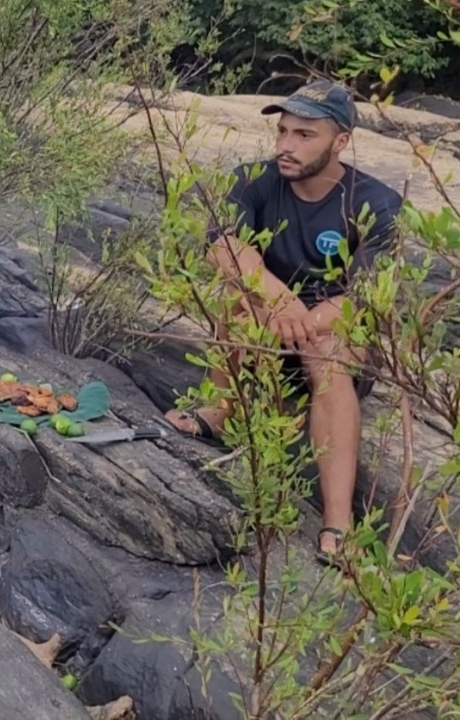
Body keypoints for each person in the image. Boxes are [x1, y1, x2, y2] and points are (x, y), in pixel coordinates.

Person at [162, 80, 404, 564]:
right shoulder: (253, 178)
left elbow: (366, 299)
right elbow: (224, 247)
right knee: (236, 296)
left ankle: (337, 522)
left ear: (341, 141)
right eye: (284, 131)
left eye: (304, 135)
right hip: (265, 330)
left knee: (328, 353)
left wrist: (306, 320)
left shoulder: (376, 204)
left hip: (327, 335)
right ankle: (220, 408)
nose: (286, 146)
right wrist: (277, 302)